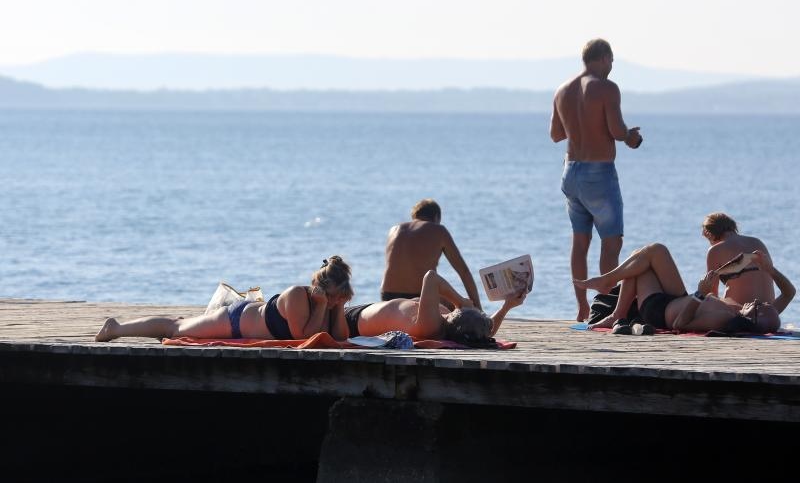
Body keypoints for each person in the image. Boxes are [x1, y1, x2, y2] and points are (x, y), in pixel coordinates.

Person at [550, 38, 644, 322]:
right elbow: (616, 130)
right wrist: (631, 137)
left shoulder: (562, 90)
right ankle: (603, 306)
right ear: (603, 58)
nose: (612, 67)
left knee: (580, 242)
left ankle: (581, 306)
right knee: (611, 242)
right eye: (612, 61)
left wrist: (581, 127)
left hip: (571, 171)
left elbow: (555, 134)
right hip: (598, 172)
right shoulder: (606, 88)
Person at [95, 256, 354, 342]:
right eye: (333, 297)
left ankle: (122, 327)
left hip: (249, 320)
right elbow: (304, 339)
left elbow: (340, 338)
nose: (334, 302)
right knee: (175, 328)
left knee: (184, 324)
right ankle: (116, 328)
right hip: (235, 320)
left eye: (340, 298)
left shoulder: (330, 303)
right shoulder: (297, 296)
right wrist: (322, 306)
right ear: (318, 288)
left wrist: (338, 307)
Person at [575, 243, 794, 334]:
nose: (757, 301)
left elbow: (680, 324)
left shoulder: (722, 320)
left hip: (659, 310)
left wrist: (700, 293)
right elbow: (790, 293)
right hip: (677, 297)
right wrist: (770, 270)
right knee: (654, 252)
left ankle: (616, 308)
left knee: (640, 263)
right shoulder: (741, 312)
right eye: (762, 302)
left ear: (754, 321)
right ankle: (610, 289)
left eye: (758, 307)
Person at [347, 270, 525, 345]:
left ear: (458, 313)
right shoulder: (449, 324)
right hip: (366, 310)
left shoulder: (430, 325)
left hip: (352, 320)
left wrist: (460, 301)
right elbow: (486, 333)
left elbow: (430, 277)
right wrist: (506, 306)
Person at [380, 199, 482, 310]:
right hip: (420, 296)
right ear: (437, 217)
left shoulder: (394, 229)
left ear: (415, 216)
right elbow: (464, 272)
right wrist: (478, 308)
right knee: (462, 306)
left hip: (388, 297)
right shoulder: (439, 230)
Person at [703, 212, 775, 305]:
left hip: (741, 313)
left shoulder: (715, 250)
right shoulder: (757, 242)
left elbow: (711, 294)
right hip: (770, 310)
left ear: (710, 234)